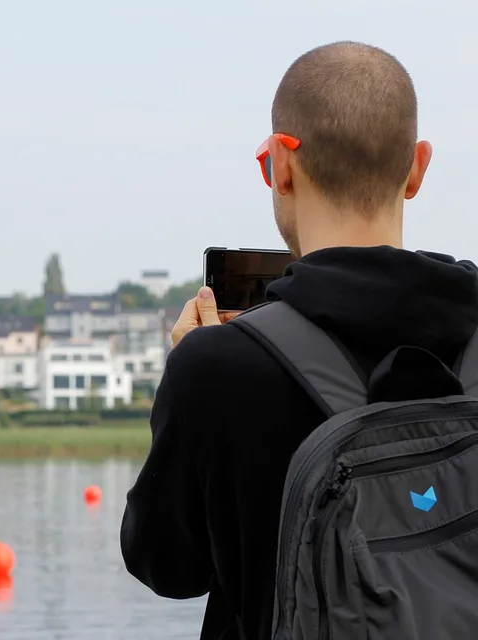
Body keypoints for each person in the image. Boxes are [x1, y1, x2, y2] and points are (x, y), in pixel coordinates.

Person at [120, 41, 469, 640]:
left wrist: (187, 379)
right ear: (417, 168)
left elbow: (168, 567)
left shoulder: (218, 366)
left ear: (280, 166)